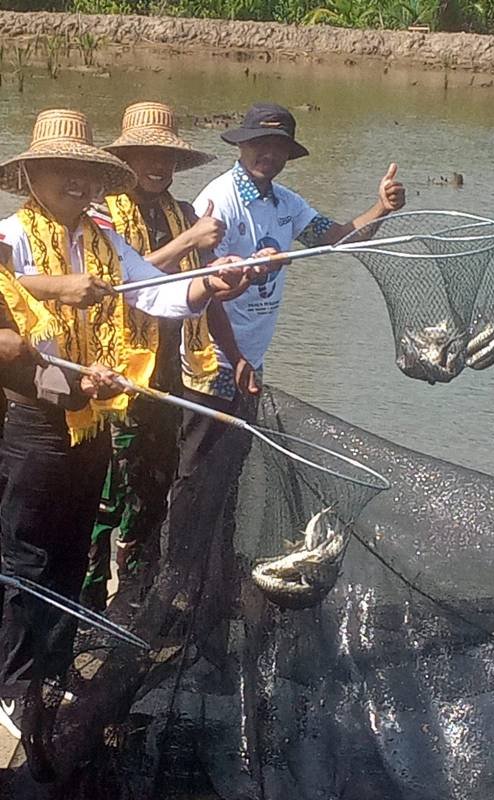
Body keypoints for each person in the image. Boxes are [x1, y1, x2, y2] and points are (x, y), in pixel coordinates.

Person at [0, 108, 250, 739]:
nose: (77, 185)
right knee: (26, 556)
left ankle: (53, 670)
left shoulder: (105, 241)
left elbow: (153, 292)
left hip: (92, 419)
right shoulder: (10, 235)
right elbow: (12, 301)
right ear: (30, 176)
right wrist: (54, 286)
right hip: (32, 420)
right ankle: (14, 685)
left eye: (86, 174)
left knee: (69, 551)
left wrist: (210, 287)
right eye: (61, 172)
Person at [180, 102, 405, 477]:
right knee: (195, 471)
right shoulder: (218, 202)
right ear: (242, 145)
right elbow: (204, 293)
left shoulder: (285, 202)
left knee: (231, 470)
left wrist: (381, 208)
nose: (268, 154)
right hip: (212, 360)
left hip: (250, 359)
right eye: (260, 143)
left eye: (278, 146)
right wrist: (236, 356)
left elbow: (336, 239)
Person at [81, 101, 226, 611]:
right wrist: (189, 240)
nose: (157, 166)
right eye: (146, 155)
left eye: (166, 157)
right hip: (113, 372)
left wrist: (235, 270)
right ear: (125, 160)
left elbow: (197, 286)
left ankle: (135, 598)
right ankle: (89, 597)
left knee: (154, 484)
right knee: (106, 492)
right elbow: (124, 281)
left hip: (168, 369)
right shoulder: (99, 213)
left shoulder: (183, 211)